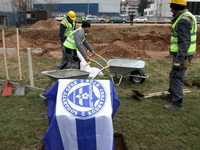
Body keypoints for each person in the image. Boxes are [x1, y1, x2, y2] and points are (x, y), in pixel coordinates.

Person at [164, 0, 197, 110]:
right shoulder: (187, 16)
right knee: (173, 74)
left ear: (176, 6)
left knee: (176, 76)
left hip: (183, 55)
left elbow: (184, 42)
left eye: (171, 6)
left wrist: (178, 60)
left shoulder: (183, 20)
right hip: (185, 53)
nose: (170, 9)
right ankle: (171, 95)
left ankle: (177, 104)